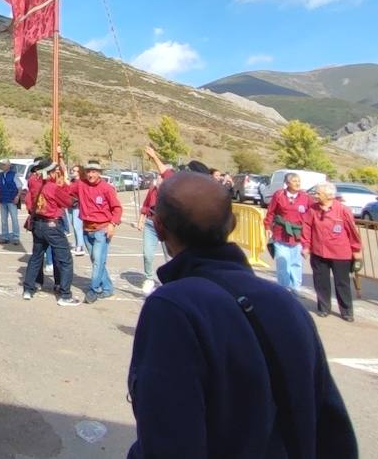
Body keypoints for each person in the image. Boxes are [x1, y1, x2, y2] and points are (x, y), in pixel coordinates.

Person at [126, 171, 358, 458]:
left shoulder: (172, 307)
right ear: (233, 223)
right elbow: (333, 426)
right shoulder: (286, 302)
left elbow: (167, 437)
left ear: (159, 228)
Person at [21, 158, 80, 306]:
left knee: (36, 257)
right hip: (51, 225)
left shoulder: (33, 182)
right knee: (65, 259)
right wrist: (67, 187)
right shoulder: (53, 187)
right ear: (48, 173)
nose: (56, 173)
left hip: (37, 224)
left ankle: (28, 289)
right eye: (54, 171)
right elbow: (67, 202)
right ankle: (65, 294)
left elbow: (34, 182)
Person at [302, 182, 362, 321]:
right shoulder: (313, 209)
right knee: (320, 282)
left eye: (318, 193)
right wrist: (306, 246)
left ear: (329, 196)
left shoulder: (342, 210)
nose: (315, 196)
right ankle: (323, 308)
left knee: (342, 283)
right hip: (318, 252)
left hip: (340, 253)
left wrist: (356, 250)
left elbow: (352, 232)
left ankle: (347, 311)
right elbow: (307, 227)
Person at [75, 161, 122, 302]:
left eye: (94, 171)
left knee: (97, 261)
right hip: (87, 229)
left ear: (99, 173)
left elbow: (117, 208)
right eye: (89, 171)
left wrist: (112, 224)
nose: (91, 174)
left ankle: (93, 290)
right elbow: (65, 189)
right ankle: (107, 288)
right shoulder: (81, 185)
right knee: (97, 260)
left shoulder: (107, 188)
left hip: (102, 229)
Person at [264, 172, 311, 294]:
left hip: (297, 235)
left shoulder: (305, 197)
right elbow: (271, 212)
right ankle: (284, 289)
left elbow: (314, 210)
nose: (297, 183)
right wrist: (267, 227)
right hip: (280, 234)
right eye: (294, 181)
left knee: (296, 263)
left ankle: (295, 287)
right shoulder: (279, 195)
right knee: (282, 262)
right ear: (287, 183)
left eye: (298, 181)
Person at [136, 146, 173, 295]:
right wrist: (141, 220)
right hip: (151, 224)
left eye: (161, 175)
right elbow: (145, 205)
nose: (159, 177)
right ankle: (149, 278)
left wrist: (154, 156)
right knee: (147, 253)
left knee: (170, 257)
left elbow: (167, 173)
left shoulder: (172, 190)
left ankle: (172, 280)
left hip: (167, 225)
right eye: (158, 175)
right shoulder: (153, 188)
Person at [0, 160, 21, 244]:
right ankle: (5, 237)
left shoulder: (14, 174)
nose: (2, 166)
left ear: (8, 166)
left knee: (14, 219)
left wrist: (17, 196)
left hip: (12, 199)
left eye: (4, 165)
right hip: (3, 200)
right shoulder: (0, 175)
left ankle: (16, 237)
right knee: (3, 220)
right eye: (2, 165)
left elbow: (20, 187)